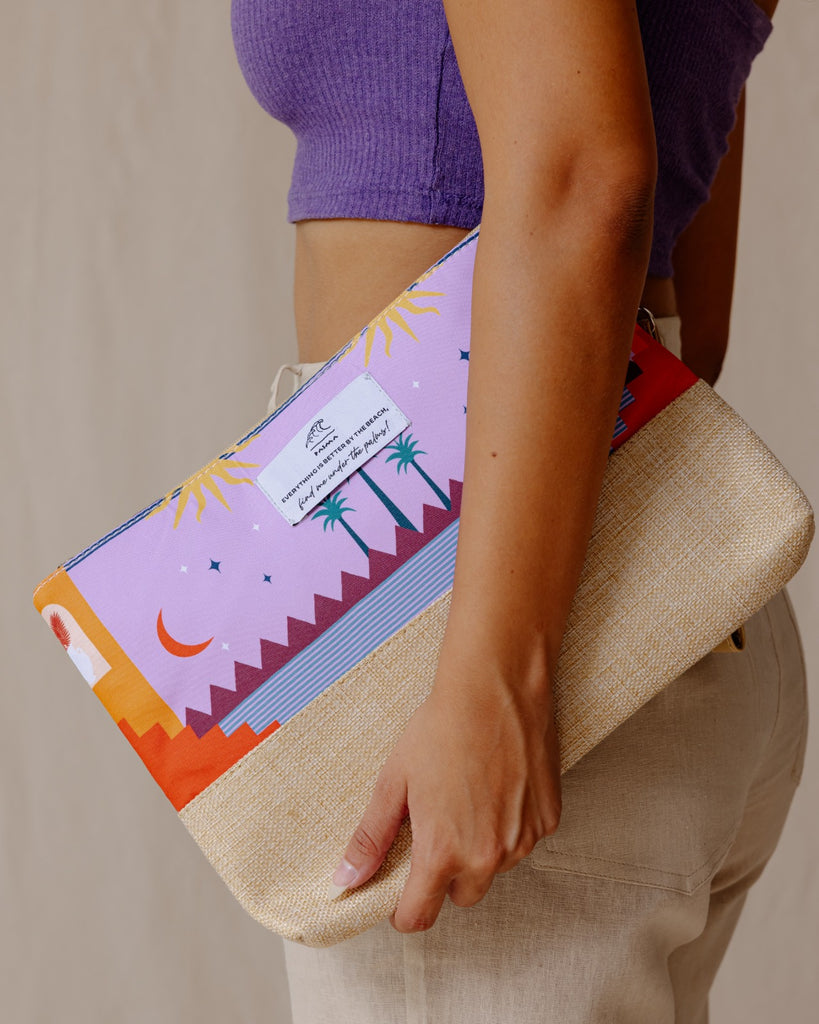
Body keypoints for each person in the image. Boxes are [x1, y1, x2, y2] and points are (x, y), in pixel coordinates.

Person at [232, 1, 808, 1020]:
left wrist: (495, 677)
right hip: (641, 584)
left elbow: (587, 175)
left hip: (466, 605)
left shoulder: (489, 658)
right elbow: (692, 314)